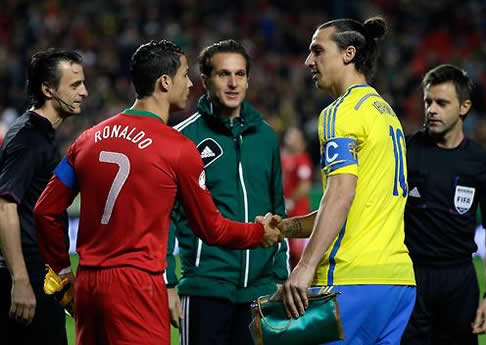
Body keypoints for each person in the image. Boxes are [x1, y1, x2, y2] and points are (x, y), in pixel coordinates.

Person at [33, 40, 282, 345]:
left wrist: (61, 271)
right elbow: (212, 229)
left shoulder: (88, 139)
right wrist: (259, 233)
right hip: (137, 285)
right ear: (165, 82)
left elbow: (45, 209)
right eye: (184, 75)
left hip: (89, 283)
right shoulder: (177, 148)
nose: (190, 83)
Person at [273, 17, 416, 345]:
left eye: (317, 51)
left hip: (351, 279)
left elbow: (341, 194)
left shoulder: (341, 112)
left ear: (348, 54)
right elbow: (352, 205)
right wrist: (286, 228)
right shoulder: (385, 113)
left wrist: (305, 267)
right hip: (397, 282)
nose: (309, 61)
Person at [165, 39, 289, 345]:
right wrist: (168, 282)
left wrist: (282, 277)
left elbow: (278, 209)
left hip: (260, 291)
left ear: (248, 79)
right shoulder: (182, 140)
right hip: (205, 287)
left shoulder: (267, 137)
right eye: (224, 74)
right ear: (205, 81)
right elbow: (164, 217)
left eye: (240, 74)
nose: (233, 83)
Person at [0, 48, 88, 345]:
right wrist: (21, 281)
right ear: (48, 89)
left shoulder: (42, 134)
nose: (85, 92)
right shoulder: (28, 138)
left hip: (41, 274)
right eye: (75, 85)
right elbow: (4, 207)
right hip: (29, 275)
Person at [401, 64, 486, 345]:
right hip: (411, 275)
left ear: (464, 107)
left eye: (441, 102)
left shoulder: (479, 162)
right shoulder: (406, 151)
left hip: (459, 280)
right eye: (428, 101)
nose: (431, 109)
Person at [281, 127, 313, 268]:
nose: (290, 140)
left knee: (297, 253)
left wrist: (291, 201)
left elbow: (305, 186)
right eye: (289, 136)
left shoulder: (302, 160)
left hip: (299, 214)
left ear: (301, 142)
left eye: (294, 137)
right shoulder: (284, 158)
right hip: (285, 212)